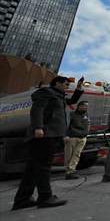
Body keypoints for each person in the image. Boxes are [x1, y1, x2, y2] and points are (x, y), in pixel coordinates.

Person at [13, 76, 84, 210]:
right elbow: (37, 110)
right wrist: (38, 127)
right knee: (44, 166)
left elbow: (73, 101)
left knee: (33, 168)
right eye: (66, 83)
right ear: (57, 83)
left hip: (50, 134)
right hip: (45, 134)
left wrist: (79, 89)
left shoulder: (59, 96)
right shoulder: (46, 93)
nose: (67, 86)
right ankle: (45, 197)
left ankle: (23, 199)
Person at [64, 101, 90, 179]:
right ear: (79, 106)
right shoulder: (72, 114)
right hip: (72, 137)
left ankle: (71, 170)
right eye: (84, 106)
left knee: (77, 155)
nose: (86, 107)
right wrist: (66, 135)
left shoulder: (86, 114)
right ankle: (68, 171)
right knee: (69, 155)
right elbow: (66, 125)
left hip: (82, 138)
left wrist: (86, 134)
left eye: (87, 106)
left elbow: (88, 124)